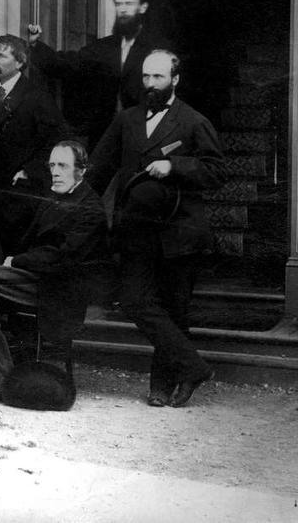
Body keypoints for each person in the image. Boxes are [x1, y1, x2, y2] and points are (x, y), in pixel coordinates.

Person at [89, 50, 226, 408]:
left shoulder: (193, 121)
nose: (150, 85)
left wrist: (175, 165)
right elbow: (99, 168)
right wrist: (77, 201)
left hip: (179, 232)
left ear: (175, 80)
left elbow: (216, 172)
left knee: (175, 310)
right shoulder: (127, 120)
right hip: (136, 230)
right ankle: (193, 366)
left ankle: (164, 386)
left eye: (158, 78)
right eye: (146, 77)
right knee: (134, 300)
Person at [0, 142, 107, 400]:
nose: (55, 172)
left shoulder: (90, 208)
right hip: (36, 278)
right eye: (52, 165)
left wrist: (16, 261)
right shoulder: (54, 195)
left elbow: (62, 258)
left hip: (57, 290)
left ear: (81, 171)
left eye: (62, 166)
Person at [27, 0, 172, 148]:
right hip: (105, 137)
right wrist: (34, 45)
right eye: (118, 4)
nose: (122, 9)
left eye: (129, 4)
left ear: (143, 7)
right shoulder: (104, 47)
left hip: (145, 136)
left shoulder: (158, 48)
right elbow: (68, 64)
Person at [0, 34, 66, 253]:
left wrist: (30, 171)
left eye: (1, 55)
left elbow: (56, 141)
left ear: (19, 62)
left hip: (17, 193)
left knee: (10, 251)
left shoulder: (36, 96)